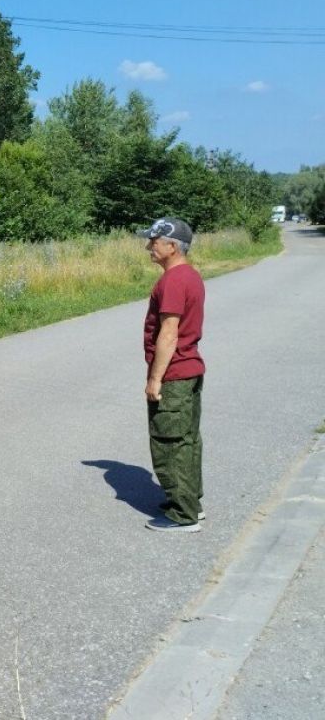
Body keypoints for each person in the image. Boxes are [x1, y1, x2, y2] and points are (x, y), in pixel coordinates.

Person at [140, 217, 206, 533]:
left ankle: (183, 515)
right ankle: (190, 502)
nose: (149, 247)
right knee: (188, 440)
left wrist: (155, 380)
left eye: (154, 241)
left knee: (171, 442)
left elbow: (169, 333)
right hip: (190, 370)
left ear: (172, 246)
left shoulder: (173, 281)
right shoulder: (189, 276)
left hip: (175, 375)